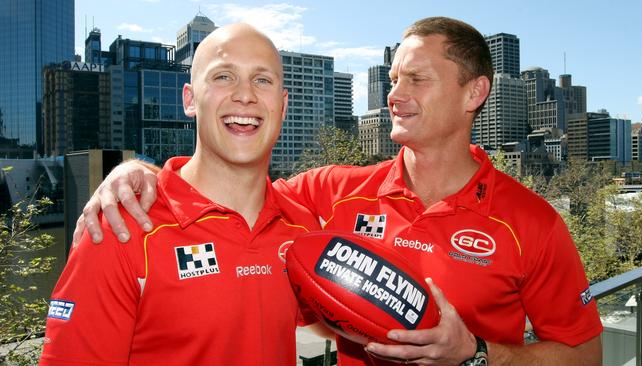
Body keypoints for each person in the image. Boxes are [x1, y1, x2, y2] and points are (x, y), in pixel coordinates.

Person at [76, 17, 603, 366]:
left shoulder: (531, 221)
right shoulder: (334, 194)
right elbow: (230, 189)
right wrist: (134, 170)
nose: (394, 94)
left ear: (474, 93)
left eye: (416, 79)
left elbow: (588, 354)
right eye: (393, 78)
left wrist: (478, 353)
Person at [40, 23, 321, 365]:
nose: (245, 95)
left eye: (262, 80)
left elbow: (339, 318)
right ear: (189, 99)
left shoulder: (302, 228)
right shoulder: (121, 228)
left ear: (283, 104)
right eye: (223, 77)